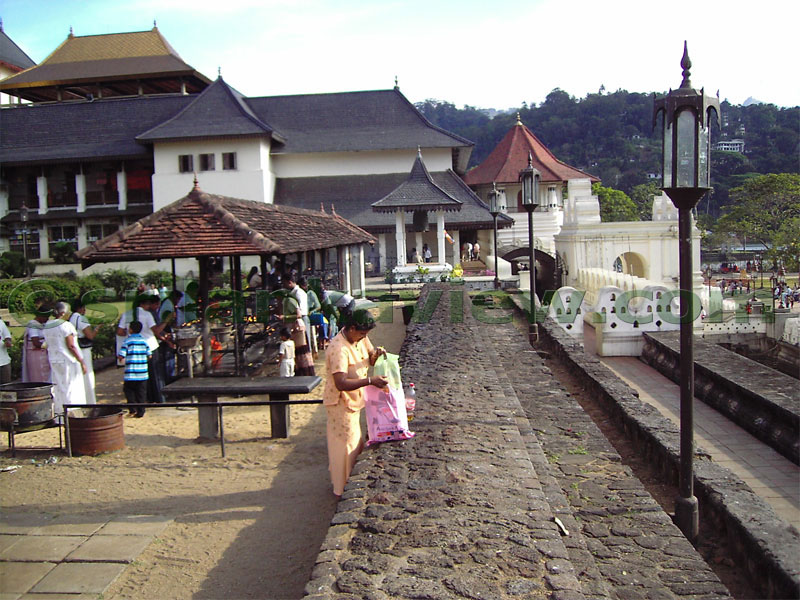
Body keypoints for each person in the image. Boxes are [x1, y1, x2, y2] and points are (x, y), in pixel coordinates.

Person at [323, 309, 388, 497]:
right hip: (340, 403)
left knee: (354, 441)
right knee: (345, 445)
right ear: (351, 328)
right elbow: (341, 383)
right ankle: (342, 487)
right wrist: (370, 381)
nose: (363, 337)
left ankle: (351, 480)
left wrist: (377, 355)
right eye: (361, 334)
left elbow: (370, 358)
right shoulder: (339, 349)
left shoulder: (360, 339)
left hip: (354, 400)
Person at [42, 302, 87, 419]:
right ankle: (73, 416)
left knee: (58, 388)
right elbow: (71, 345)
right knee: (71, 387)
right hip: (68, 360)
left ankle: (60, 416)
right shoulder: (66, 325)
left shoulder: (48, 325)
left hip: (54, 359)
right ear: (63, 313)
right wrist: (81, 361)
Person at [69, 300, 100, 404]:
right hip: (84, 349)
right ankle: (90, 400)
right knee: (88, 374)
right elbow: (90, 336)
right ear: (80, 308)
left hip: (75, 347)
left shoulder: (71, 318)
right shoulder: (81, 318)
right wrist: (96, 329)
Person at [118, 321, 151, 418]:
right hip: (143, 372)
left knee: (129, 391)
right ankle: (141, 411)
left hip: (131, 372)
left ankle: (132, 409)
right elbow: (149, 355)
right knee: (141, 393)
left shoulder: (127, 341)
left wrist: (121, 359)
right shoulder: (144, 341)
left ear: (131, 329)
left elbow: (121, 355)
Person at [283, 273, 312, 352]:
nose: (284, 286)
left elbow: (300, 312)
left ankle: (307, 357)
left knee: (304, 340)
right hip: (300, 318)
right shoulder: (295, 292)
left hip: (302, 318)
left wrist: (286, 316)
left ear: (289, 282)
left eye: (284, 283)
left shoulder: (298, 293)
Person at [22, 311, 51, 383]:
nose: (47, 319)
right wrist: (49, 345)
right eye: (46, 317)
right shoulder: (33, 325)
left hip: (43, 353)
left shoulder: (42, 324)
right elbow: (36, 342)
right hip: (36, 355)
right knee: (38, 375)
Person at [0, 317, 12, 384]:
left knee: (6, 385)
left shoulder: (0, 322)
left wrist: (8, 342)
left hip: (3, 361)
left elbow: (7, 336)